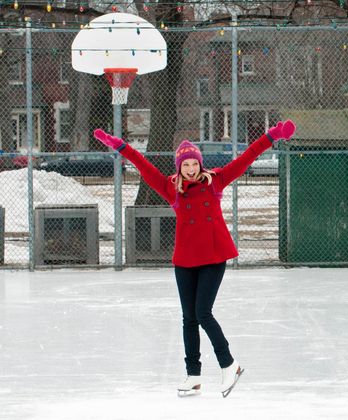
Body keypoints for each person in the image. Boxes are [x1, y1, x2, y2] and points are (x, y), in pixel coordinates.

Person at [93, 120, 296, 398]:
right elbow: (142, 165)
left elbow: (247, 157)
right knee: (188, 318)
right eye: (185, 165)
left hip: (214, 256)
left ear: (200, 164)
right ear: (179, 167)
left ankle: (229, 364)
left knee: (203, 313)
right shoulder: (170, 187)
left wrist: (270, 136)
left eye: (194, 164)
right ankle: (193, 375)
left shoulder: (217, 181)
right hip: (185, 259)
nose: (190, 169)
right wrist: (120, 147)